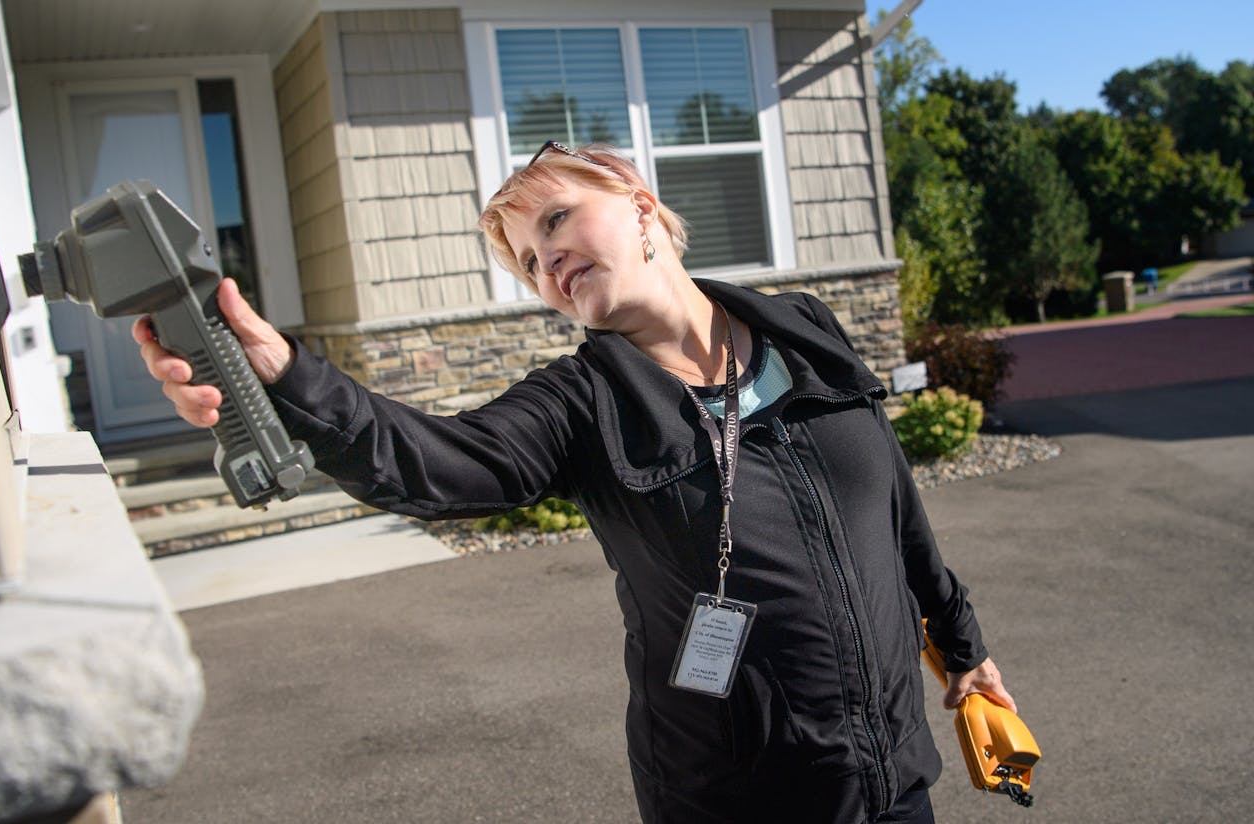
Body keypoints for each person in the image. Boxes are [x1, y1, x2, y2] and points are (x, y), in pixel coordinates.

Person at [133, 142, 1016, 823]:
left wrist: (964, 647)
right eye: (525, 261)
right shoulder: (582, 402)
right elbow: (442, 465)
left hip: (895, 782)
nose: (544, 264)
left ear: (637, 202)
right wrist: (286, 378)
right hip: (739, 799)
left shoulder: (804, 330)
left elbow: (893, 504)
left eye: (555, 223)